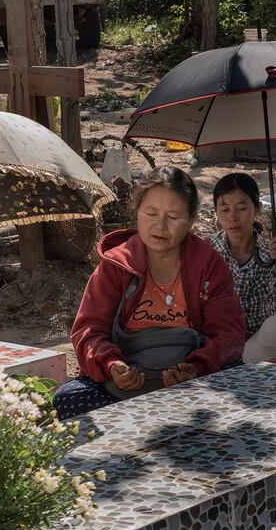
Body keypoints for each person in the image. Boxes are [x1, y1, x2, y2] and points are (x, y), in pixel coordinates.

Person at [59, 167, 246, 418]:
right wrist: (112, 366)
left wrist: (198, 367)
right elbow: (88, 331)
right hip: (128, 381)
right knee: (68, 399)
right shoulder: (116, 265)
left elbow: (228, 332)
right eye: (151, 213)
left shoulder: (208, 264)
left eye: (172, 216)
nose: (160, 225)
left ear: (190, 220)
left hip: (192, 380)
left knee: (241, 378)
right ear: (136, 212)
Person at [208, 172, 276, 339]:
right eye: (225, 209)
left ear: (257, 208)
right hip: (216, 341)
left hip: (260, 343)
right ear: (216, 211)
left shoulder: (272, 254)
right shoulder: (207, 251)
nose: (232, 217)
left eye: (241, 209)